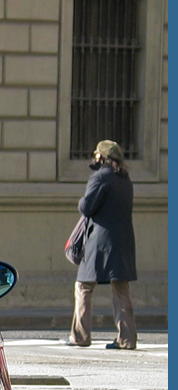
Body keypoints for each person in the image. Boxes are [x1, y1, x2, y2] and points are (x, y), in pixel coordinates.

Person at [64, 140, 137, 350]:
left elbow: (87, 207)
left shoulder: (100, 177)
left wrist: (81, 200)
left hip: (100, 242)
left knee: (83, 286)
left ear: (101, 157)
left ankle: (80, 336)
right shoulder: (125, 179)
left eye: (97, 155)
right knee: (121, 289)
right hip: (123, 240)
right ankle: (127, 339)